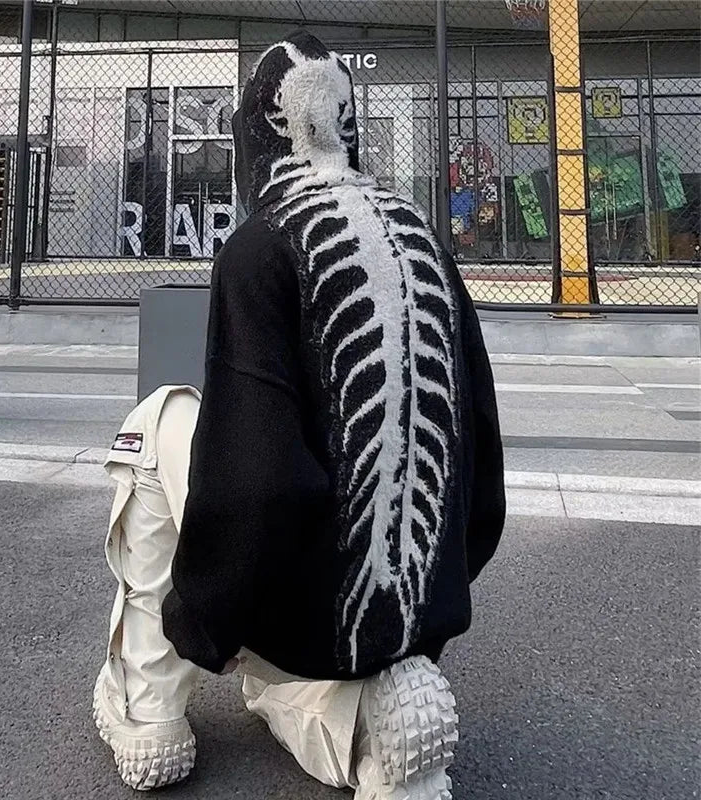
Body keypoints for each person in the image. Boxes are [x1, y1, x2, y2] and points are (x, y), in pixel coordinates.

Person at [93, 31, 505, 800]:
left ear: (258, 134)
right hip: (423, 607)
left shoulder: (260, 247)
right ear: (348, 125)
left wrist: (208, 622)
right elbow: (480, 453)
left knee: (156, 421)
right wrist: (428, 602)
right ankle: (367, 714)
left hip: (309, 603)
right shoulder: (425, 239)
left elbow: (259, 482)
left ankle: (149, 706)